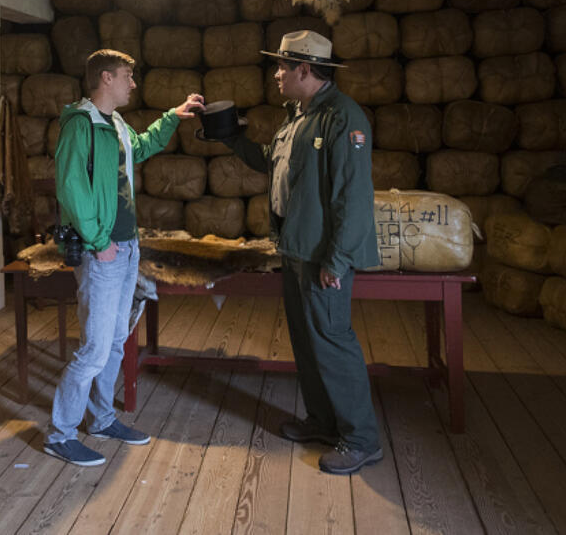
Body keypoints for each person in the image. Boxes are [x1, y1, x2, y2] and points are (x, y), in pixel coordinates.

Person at [218, 30, 383, 475]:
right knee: (307, 342)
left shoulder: (342, 118)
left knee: (331, 341)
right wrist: (230, 137)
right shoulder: (299, 117)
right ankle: (324, 422)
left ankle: (362, 439)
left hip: (321, 255)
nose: (276, 75)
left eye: (281, 67)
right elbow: (270, 161)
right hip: (295, 248)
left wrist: (338, 259)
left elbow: (353, 196)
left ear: (304, 70)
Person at [44, 49, 204, 466]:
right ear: (106, 78)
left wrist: (173, 115)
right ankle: (60, 434)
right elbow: (71, 188)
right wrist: (99, 241)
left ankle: (100, 419)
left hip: (126, 245)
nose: (134, 84)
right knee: (95, 348)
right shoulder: (80, 126)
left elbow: (144, 146)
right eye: (128, 77)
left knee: (115, 341)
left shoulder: (113, 123)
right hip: (104, 250)